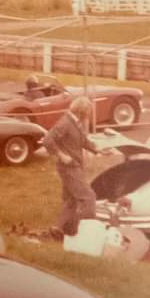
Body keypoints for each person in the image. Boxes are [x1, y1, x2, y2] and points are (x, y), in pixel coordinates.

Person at [43, 96, 110, 240]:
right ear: (82, 111)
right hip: (69, 167)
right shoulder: (65, 123)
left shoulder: (75, 122)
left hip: (74, 166)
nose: (89, 115)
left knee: (72, 200)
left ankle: (59, 229)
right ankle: (87, 234)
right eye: (88, 112)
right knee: (88, 197)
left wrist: (98, 150)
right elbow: (48, 140)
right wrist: (61, 155)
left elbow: (83, 141)